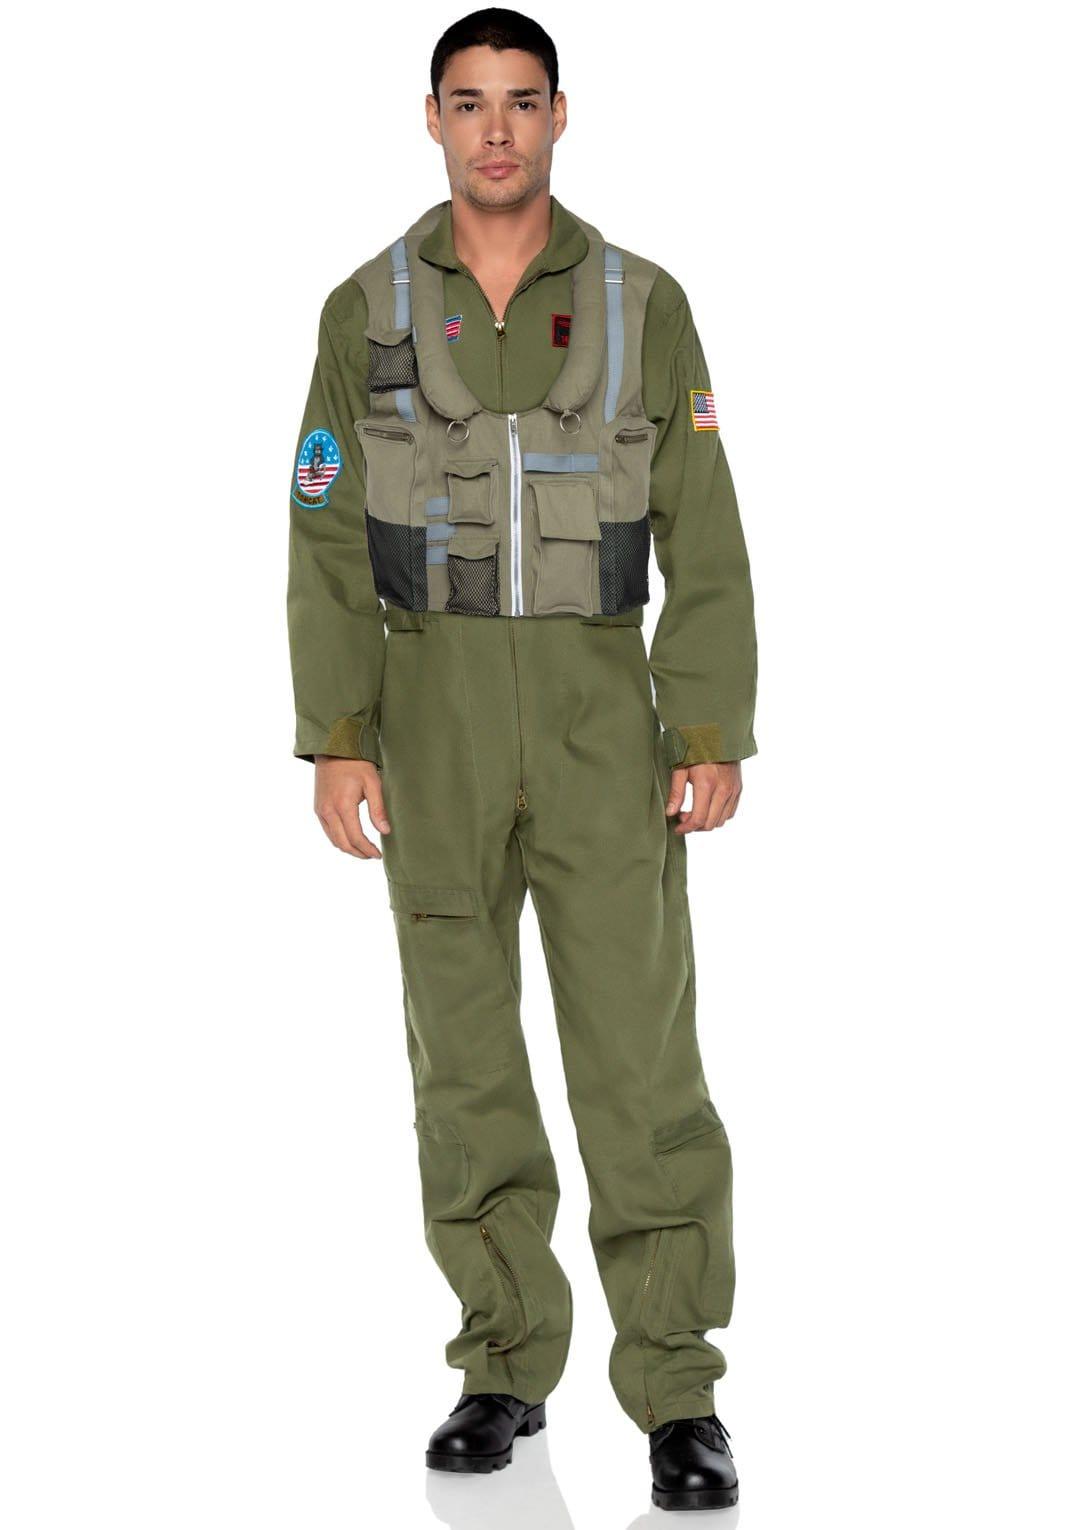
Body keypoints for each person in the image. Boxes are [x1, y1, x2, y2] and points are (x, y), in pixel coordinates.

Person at [286, 7, 757, 1513]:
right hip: (429, 719)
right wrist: (339, 734)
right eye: (469, 100)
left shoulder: (643, 302)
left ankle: (676, 1389)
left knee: (641, 1058)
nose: (496, 127)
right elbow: (322, 539)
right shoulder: (363, 311)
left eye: (522, 100)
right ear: (429, 118)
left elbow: (703, 524)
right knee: (466, 1059)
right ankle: (500, 1363)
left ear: (562, 115)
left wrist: (706, 723)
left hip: (598, 713)